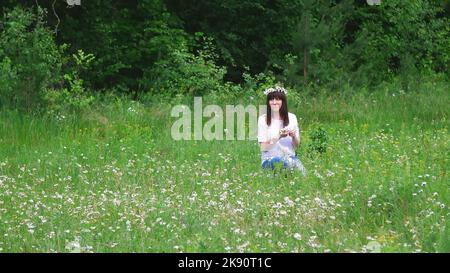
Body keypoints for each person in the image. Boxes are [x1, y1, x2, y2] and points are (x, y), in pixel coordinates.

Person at [257, 86, 306, 176]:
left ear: (283, 102)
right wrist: (279, 136)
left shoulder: (292, 117)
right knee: (278, 162)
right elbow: (263, 147)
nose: (274, 102)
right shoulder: (263, 119)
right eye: (271, 100)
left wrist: (294, 136)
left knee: (303, 176)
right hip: (270, 159)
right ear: (268, 102)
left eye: (278, 99)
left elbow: (296, 146)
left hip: (290, 157)